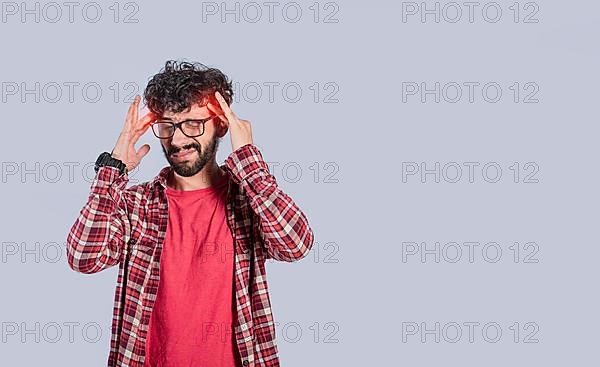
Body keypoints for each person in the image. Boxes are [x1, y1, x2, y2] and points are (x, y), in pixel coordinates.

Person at [66, 60, 315, 367]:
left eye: (193, 124)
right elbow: (83, 258)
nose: (178, 140)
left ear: (221, 125)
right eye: (168, 126)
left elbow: (296, 245)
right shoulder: (138, 204)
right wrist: (115, 167)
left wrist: (249, 161)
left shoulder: (246, 200)